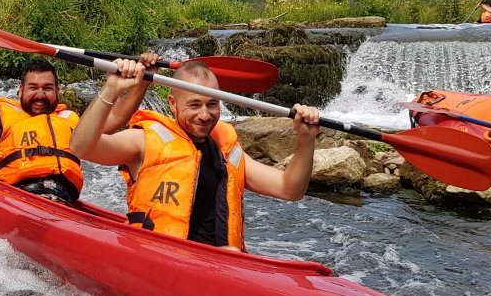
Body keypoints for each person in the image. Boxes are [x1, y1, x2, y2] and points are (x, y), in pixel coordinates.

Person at [70, 60, 321, 251]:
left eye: (212, 104)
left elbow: (291, 190)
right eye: (194, 105)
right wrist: (112, 88)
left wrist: (306, 140)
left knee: (232, 252)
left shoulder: (227, 151)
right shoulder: (145, 141)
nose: (205, 114)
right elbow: (82, 147)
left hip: (220, 261)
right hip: (158, 258)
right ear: (172, 104)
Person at [0, 37, 156, 204]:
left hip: (62, 202)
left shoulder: (71, 121)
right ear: (20, 90)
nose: (40, 95)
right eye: (33, 88)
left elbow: (117, 116)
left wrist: (144, 80)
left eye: (47, 88)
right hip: (14, 199)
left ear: (57, 91)